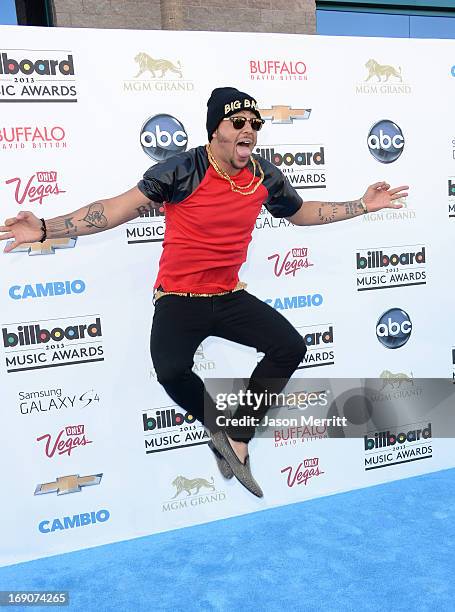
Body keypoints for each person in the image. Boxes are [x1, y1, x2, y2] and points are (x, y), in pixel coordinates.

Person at [0, 87, 408, 497]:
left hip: (229, 295)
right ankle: (217, 428)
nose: (249, 130)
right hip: (179, 297)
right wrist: (44, 229)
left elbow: (301, 213)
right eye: (238, 123)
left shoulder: (264, 176)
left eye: (255, 124)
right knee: (171, 371)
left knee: (289, 346)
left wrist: (361, 205)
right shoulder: (182, 170)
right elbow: (115, 209)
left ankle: (238, 437)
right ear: (216, 130)